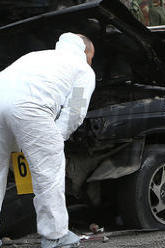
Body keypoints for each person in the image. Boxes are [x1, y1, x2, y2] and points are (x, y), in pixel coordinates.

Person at [0, 32, 95, 248]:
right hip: (30, 108)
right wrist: (55, 139)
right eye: (92, 57)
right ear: (86, 52)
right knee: (49, 172)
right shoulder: (82, 68)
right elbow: (76, 112)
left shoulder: (35, 56)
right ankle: (56, 236)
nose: (91, 62)